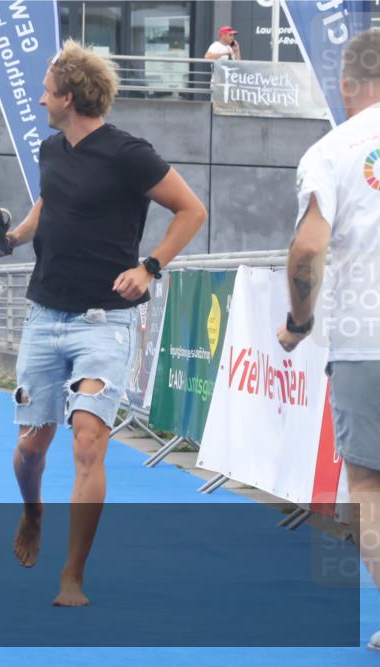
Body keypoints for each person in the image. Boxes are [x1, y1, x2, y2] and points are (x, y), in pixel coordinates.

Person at [0, 41, 206, 605]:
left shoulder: (129, 154)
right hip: (44, 314)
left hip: (104, 321)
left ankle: (73, 575)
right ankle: (32, 511)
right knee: (32, 446)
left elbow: (192, 210)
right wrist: (13, 237)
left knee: (88, 442)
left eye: (46, 86)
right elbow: (49, 203)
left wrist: (150, 266)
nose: (39, 95)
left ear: (68, 95)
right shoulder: (49, 149)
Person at [275, 28, 380, 651]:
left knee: (369, 485)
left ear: (346, 86)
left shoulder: (333, 149)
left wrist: (299, 320)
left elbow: (308, 249)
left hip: (367, 340)